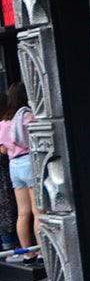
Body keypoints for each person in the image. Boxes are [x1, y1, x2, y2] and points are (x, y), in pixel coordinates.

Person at [0, 83, 35, 252]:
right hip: (28, 161)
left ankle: (27, 253)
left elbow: (3, 150)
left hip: (14, 166)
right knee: (38, 212)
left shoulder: (4, 122)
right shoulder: (27, 115)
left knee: (23, 213)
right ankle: (43, 252)